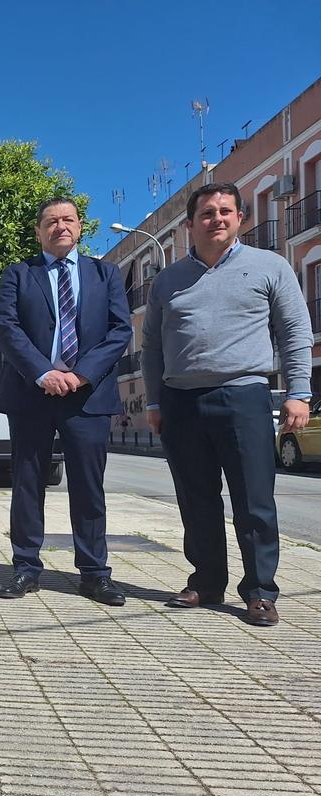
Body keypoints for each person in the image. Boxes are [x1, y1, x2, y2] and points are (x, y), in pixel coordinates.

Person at [143, 183, 313, 627]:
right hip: (181, 401)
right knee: (195, 498)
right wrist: (154, 401)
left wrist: (299, 392)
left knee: (254, 500)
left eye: (225, 211)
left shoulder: (270, 267)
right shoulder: (167, 280)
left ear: (240, 218)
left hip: (243, 395)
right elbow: (152, 346)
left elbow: (294, 331)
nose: (216, 219)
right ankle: (206, 581)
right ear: (190, 224)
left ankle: (260, 591)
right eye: (206, 213)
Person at [0, 198, 132, 606]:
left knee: (88, 487)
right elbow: (7, 327)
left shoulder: (105, 274)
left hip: (87, 395)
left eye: (68, 219)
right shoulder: (19, 274)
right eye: (51, 221)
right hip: (32, 393)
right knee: (27, 482)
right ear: (39, 231)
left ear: (80, 227)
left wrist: (80, 373)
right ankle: (25, 567)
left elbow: (120, 331)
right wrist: (43, 372)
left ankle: (94, 573)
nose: (60, 226)